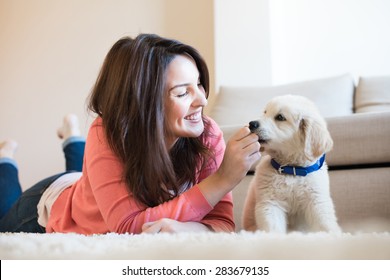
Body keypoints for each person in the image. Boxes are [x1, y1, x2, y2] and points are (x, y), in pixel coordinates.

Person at [0, 34, 260, 234]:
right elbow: (126, 227)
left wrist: (180, 228)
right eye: (182, 93)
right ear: (143, 103)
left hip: (89, 187)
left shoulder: (207, 134)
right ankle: (7, 158)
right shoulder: (108, 131)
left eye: (200, 85)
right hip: (49, 206)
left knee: (86, 176)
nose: (202, 100)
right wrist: (223, 179)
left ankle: (72, 137)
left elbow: (222, 225)